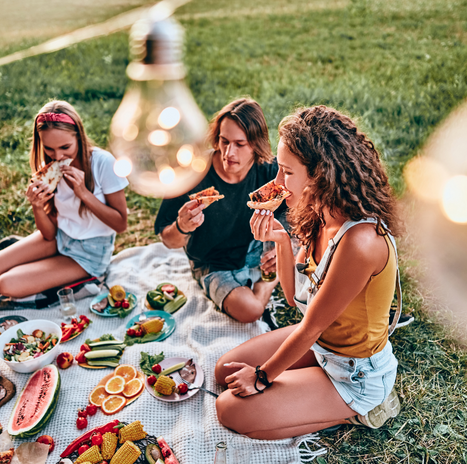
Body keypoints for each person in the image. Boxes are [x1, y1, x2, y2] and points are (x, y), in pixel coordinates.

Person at [214, 105, 403, 439]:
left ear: (320, 175)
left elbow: (311, 326)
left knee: (229, 408)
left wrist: (261, 377)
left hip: (354, 372)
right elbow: (294, 298)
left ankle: (364, 408)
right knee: (223, 372)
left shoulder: (360, 242)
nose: (277, 183)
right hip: (320, 346)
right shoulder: (319, 212)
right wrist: (279, 241)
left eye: (286, 172)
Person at [154, 98, 285, 323]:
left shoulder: (269, 171)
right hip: (213, 261)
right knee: (251, 311)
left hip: (256, 248)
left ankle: (273, 273)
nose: (228, 153)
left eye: (239, 144)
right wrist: (182, 226)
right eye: (224, 141)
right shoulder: (192, 172)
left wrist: (285, 245)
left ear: (256, 144)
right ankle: (270, 282)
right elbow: (167, 239)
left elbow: (295, 212)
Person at [0, 100, 128, 298]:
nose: (58, 156)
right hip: (60, 237)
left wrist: (83, 193)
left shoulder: (103, 164)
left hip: (90, 252)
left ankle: (86, 282)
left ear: (78, 136)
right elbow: (49, 234)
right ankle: (43, 266)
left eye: (65, 147)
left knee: (5, 284)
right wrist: (37, 206)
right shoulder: (50, 169)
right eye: (49, 149)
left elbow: (121, 224)